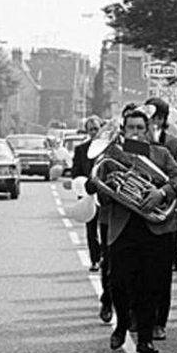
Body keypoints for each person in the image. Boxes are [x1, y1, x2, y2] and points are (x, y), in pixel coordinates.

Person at [89, 108, 177, 353]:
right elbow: (101, 192)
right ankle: (122, 324)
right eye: (131, 128)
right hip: (123, 228)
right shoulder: (112, 154)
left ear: (148, 130)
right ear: (123, 130)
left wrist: (161, 193)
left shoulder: (161, 153)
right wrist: (107, 185)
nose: (136, 132)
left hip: (154, 228)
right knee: (119, 282)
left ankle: (145, 338)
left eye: (140, 128)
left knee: (150, 284)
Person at [146, 97, 177, 340]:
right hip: (139, 215)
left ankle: (159, 321)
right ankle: (139, 316)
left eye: (152, 117)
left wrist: (162, 191)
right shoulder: (134, 144)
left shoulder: (175, 144)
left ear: (161, 120)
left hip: (165, 216)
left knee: (161, 274)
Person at [73, 116, 103, 272]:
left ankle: (105, 256)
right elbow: (75, 172)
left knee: (105, 227)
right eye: (90, 129)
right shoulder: (81, 150)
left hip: (105, 193)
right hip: (87, 194)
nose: (93, 132)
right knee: (91, 229)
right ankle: (95, 260)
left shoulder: (108, 147)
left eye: (96, 129)